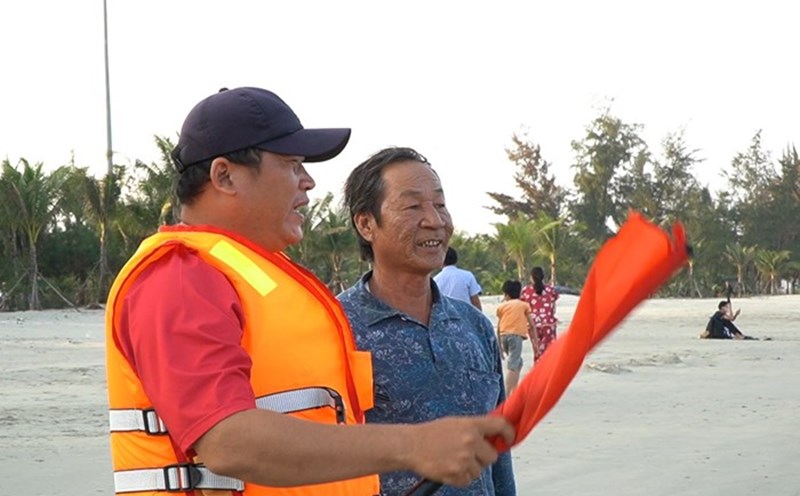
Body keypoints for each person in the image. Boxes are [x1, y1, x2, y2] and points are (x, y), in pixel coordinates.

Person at [104, 88, 513, 496]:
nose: (309, 181)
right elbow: (228, 441)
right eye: (291, 164)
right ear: (225, 176)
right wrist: (413, 445)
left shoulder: (246, 276)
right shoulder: (179, 278)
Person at [338, 146, 516, 496]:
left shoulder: (474, 326)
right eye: (413, 206)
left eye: (440, 204)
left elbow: (497, 451)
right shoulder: (336, 328)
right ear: (366, 223)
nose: (435, 220)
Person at [495, 280, 535, 395]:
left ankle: (514, 389)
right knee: (512, 365)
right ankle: (507, 394)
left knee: (518, 362)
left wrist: (500, 347)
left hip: (503, 336)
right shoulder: (523, 305)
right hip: (516, 336)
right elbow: (532, 325)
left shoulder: (502, 307)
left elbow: (498, 327)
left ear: (506, 295)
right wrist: (535, 342)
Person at [520, 266, 559, 361]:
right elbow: (553, 307)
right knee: (550, 352)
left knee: (537, 352)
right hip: (548, 323)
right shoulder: (550, 290)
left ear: (531, 277)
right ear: (543, 277)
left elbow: (523, 308)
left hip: (533, 325)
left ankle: (538, 372)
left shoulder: (526, 291)